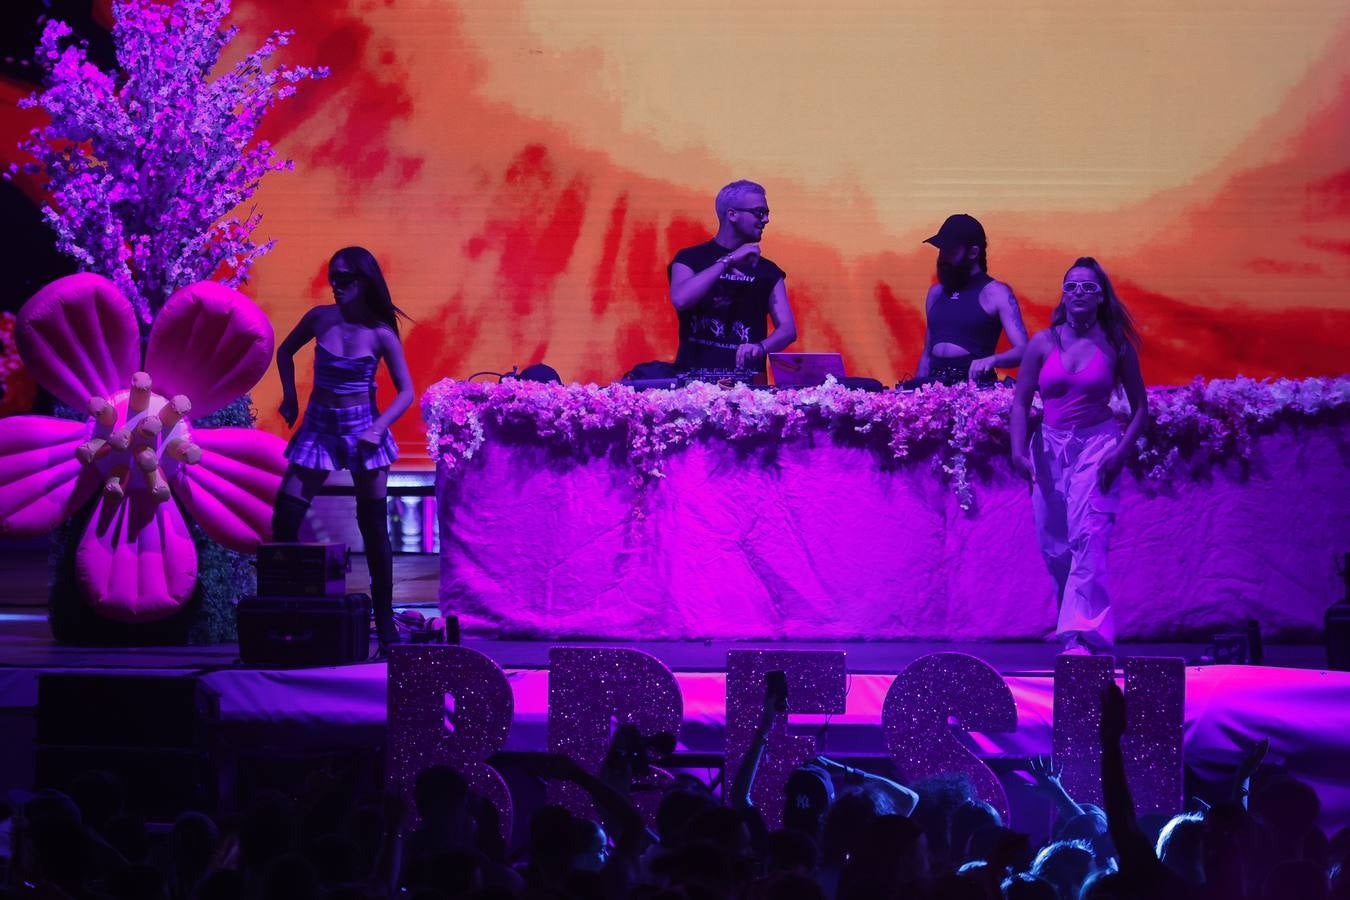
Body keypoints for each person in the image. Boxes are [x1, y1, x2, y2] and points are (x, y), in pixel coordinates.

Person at [272, 247, 415, 656]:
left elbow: (406, 391)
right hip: (319, 426)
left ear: (365, 282)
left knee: (373, 528)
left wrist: (377, 427)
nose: (336, 286)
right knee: (285, 515)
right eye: (332, 278)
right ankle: (297, 611)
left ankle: (385, 622)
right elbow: (284, 351)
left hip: (362, 430)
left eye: (345, 279)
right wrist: (290, 399)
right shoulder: (320, 318)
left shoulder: (380, 334)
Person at [1010, 257, 1147, 655]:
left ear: (1101, 296)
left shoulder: (1116, 344)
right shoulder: (1042, 342)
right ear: (1063, 294)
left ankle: (1081, 635)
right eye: (1072, 286)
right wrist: (1017, 451)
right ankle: (1070, 622)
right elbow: (1020, 403)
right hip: (1048, 448)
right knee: (1054, 545)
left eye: (1088, 287)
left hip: (1097, 445)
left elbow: (1140, 408)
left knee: (1088, 536)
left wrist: (1120, 453)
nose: (1079, 293)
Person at [668, 180, 798, 377]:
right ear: (732, 214)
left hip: (747, 387)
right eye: (759, 212)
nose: (766, 220)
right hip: (692, 384)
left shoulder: (768, 271)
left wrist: (760, 347)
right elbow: (681, 299)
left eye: (767, 213)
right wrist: (727, 261)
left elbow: (788, 329)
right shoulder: (689, 259)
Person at [916, 213, 1029, 383]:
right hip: (934, 390)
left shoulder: (997, 293)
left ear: (973, 252)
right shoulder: (935, 293)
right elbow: (926, 355)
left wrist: (993, 360)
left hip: (975, 392)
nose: (943, 257)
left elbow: (1023, 350)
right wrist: (916, 394)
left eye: (951, 251)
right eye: (941, 250)